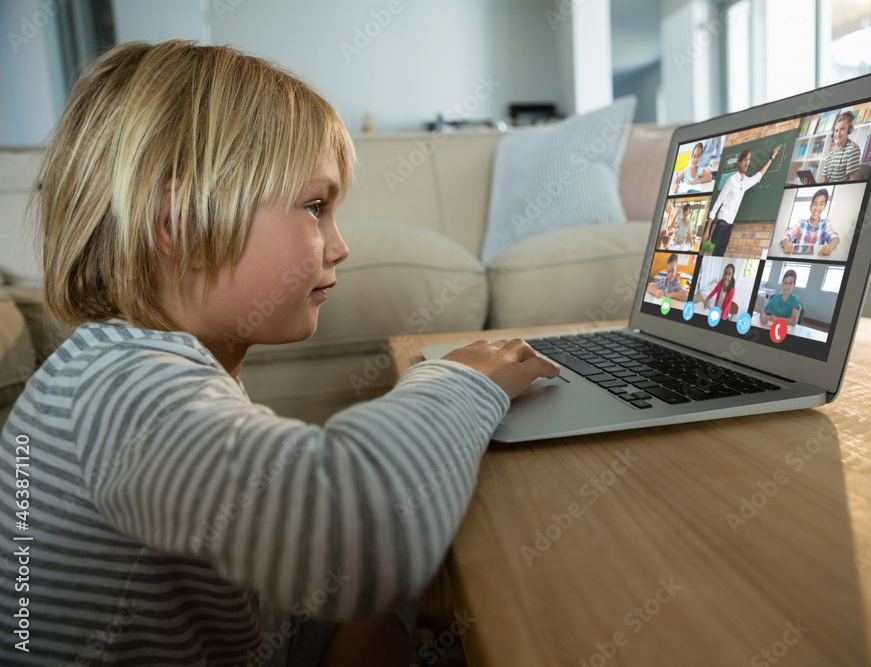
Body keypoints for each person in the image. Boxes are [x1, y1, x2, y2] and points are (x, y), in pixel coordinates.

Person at [0, 40, 558, 666]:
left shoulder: (128, 363)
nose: (339, 245)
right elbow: (360, 537)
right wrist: (459, 381)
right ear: (180, 222)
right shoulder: (121, 387)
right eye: (316, 207)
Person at [702, 145, 781, 257]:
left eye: (748, 159)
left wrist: (772, 158)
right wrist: (707, 230)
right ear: (739, 163)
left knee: (720, 256)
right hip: (720, 226)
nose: (746, 162)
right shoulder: (731, 181)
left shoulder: (746, 183)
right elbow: (717, 203)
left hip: (729, 228)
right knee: (712, 255)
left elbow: (759, 176)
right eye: (744, 159)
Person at [780, 188, 840, 256]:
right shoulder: (801, 223)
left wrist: (829, 247)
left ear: (824, 207)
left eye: (821, 204)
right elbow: (785, 237)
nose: (817, 207)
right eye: (815, 204)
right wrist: (786, 245)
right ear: (810, 207)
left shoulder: (825, 223)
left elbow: (835, 238)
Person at [818, 111, 862, 183]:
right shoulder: (830, 155)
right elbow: (824, 180)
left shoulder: (853, 149)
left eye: (842, 129)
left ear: (849, 130)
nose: (837, 134)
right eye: (836, 130)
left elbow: (854, 182)